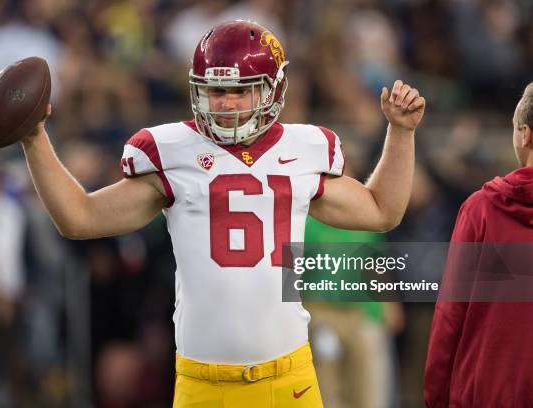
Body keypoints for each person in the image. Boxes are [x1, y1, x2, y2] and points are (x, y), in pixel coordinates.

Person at [21, 20, 425, 407]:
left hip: (289, 380)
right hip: (203, 383)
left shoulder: (304, 150)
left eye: (241, 90)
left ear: (272, 90)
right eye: (216, 90)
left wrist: (401, 133)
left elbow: (381, 211)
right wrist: (34, 136)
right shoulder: (172, 150)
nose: (227, 103)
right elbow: (80, 218)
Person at [424, 83, 533, 407]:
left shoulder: (482, 209)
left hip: (486, 393)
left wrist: (436, 396)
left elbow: (450, 314)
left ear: (524, 134)